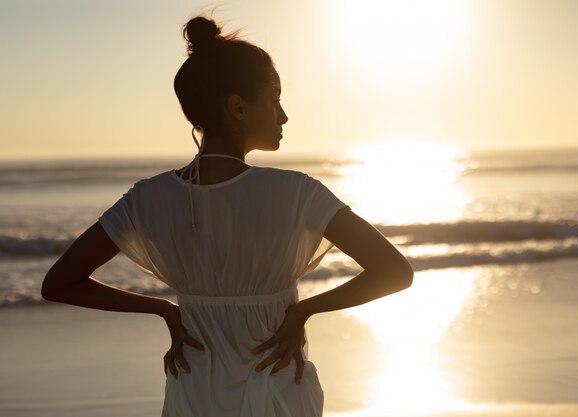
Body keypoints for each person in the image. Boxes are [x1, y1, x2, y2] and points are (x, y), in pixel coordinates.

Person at [41, 13, 413, 417]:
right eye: (274, 99)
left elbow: (60, 283)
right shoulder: (297, 192)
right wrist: (305, 310)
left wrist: (163, 308)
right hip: (277, 387)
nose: (283, 115)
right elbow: (395, 271)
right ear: (237, 106)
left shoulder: (145, 198)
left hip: (194, 390)